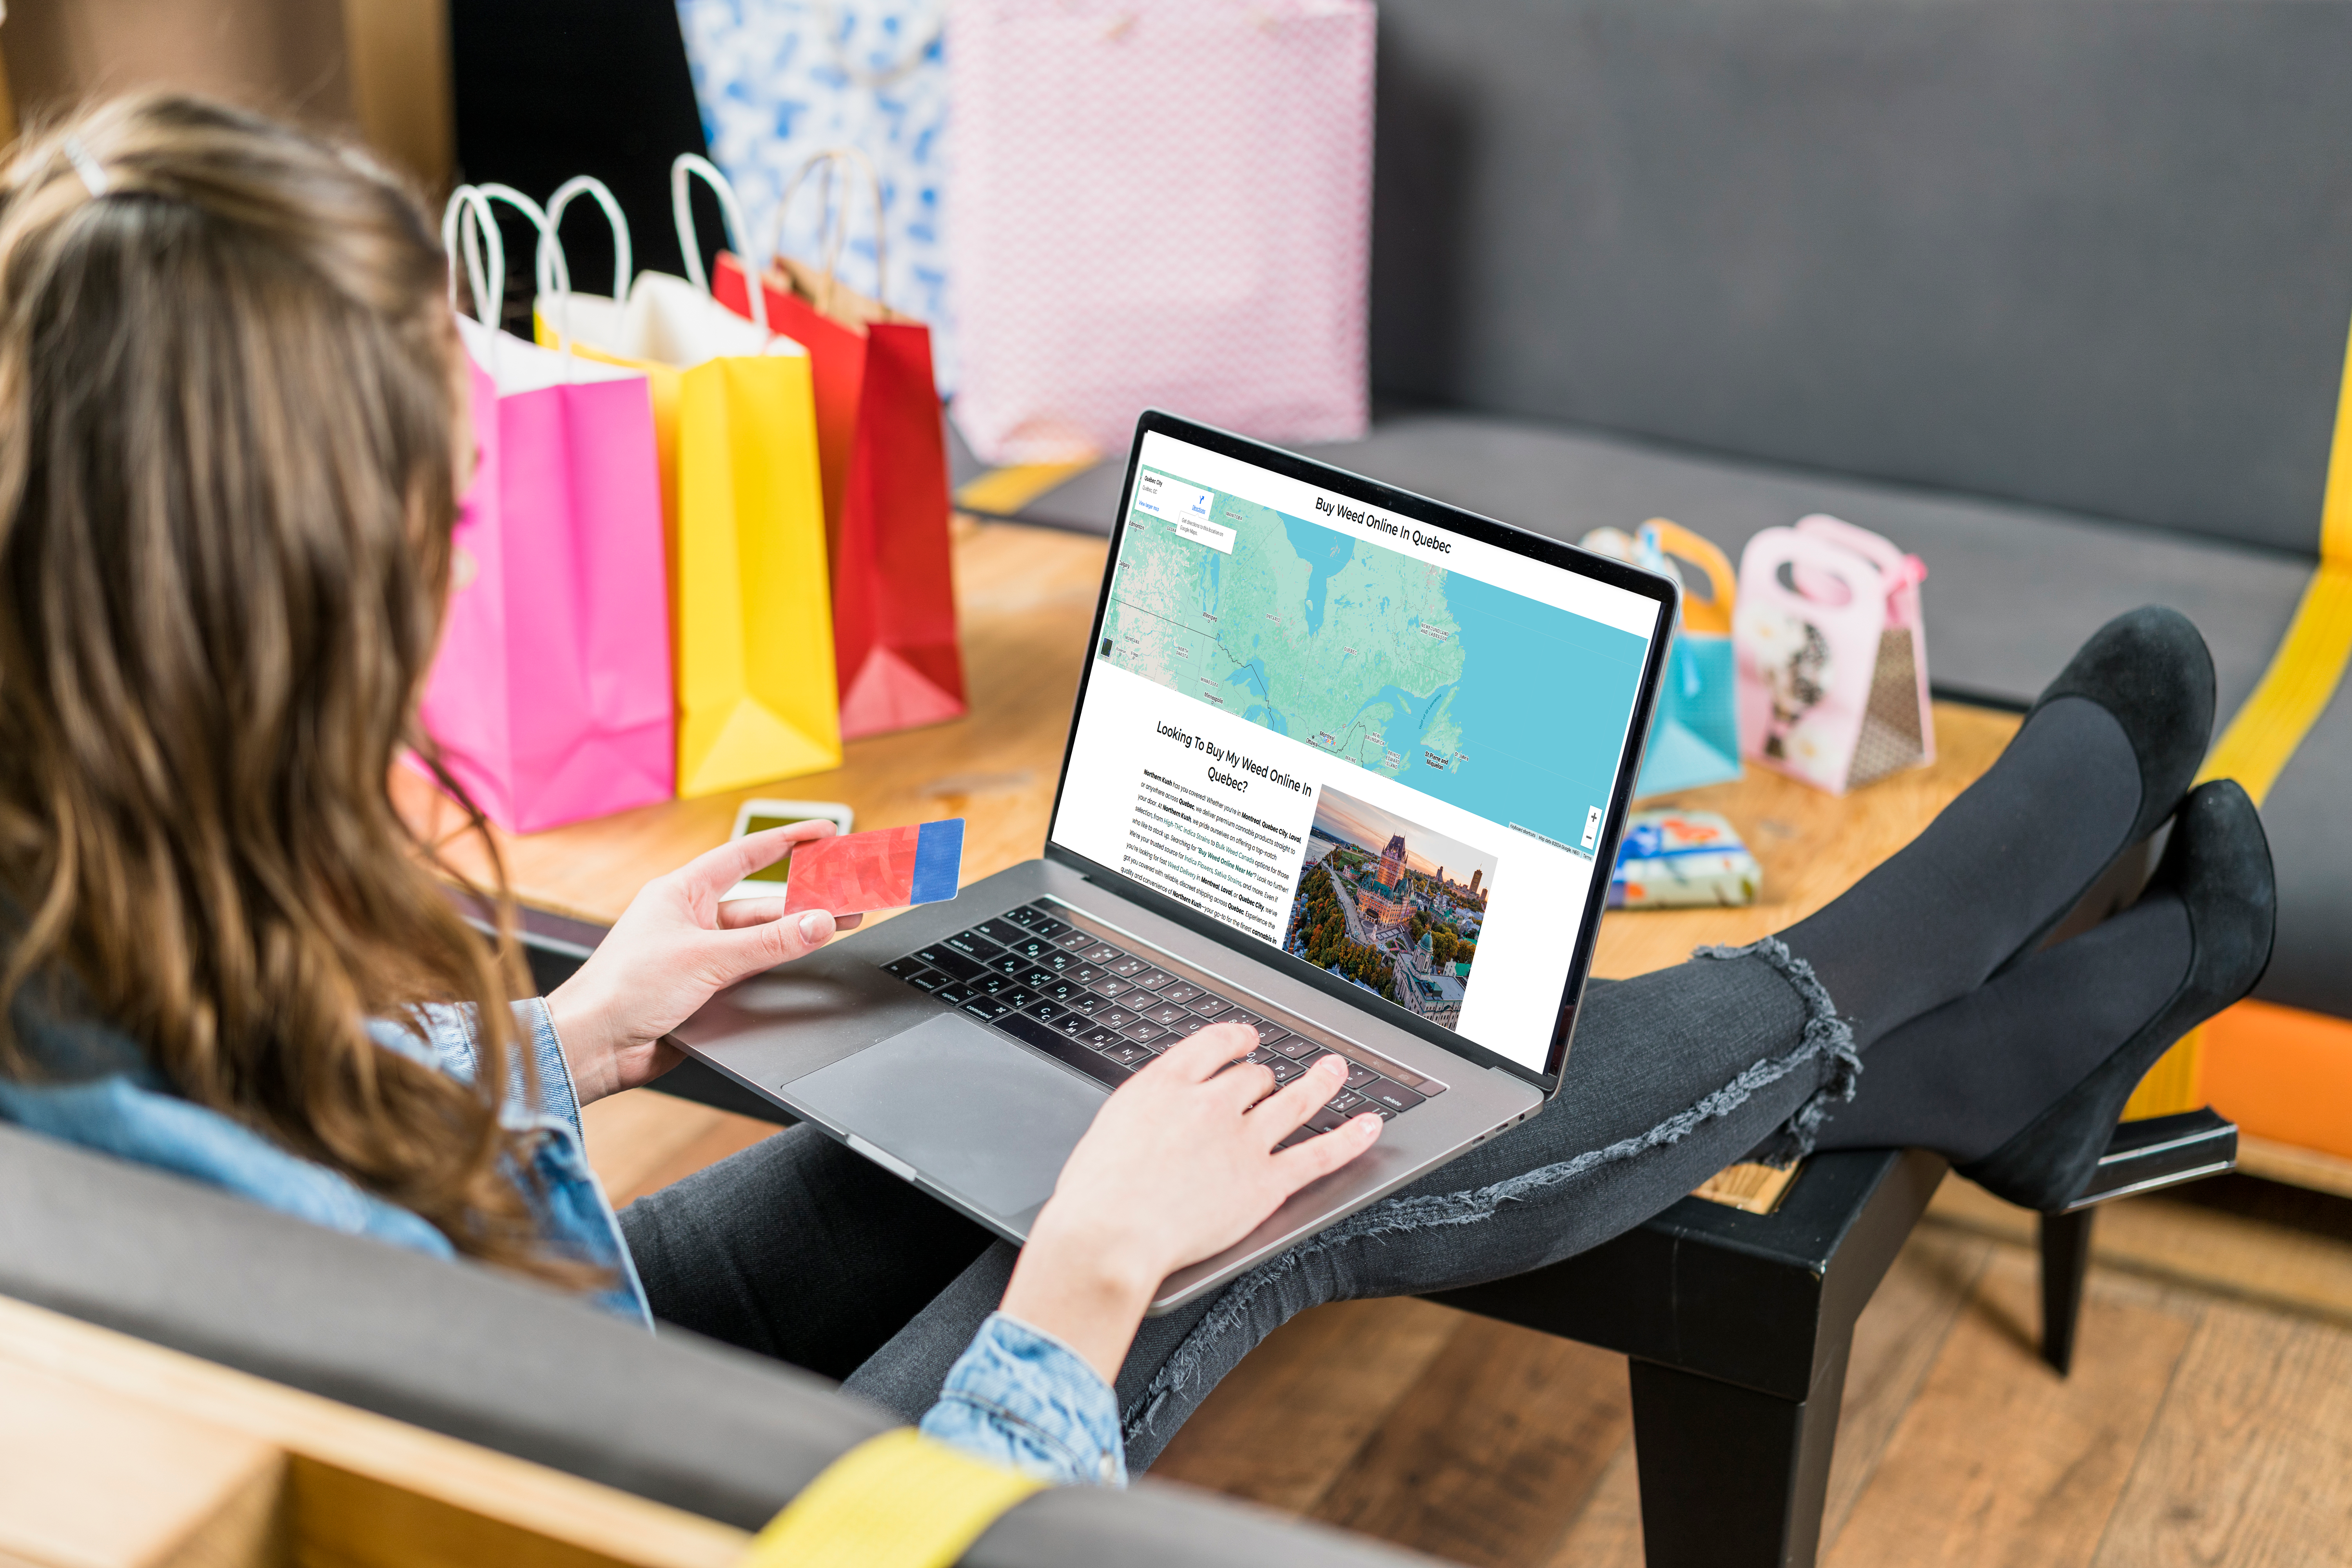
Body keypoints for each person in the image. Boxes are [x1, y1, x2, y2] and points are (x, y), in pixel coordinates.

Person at [0, 95, 2276, 1488]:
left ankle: (1994, 1055)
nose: (464, 552)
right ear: (265, 616)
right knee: (1270, 1169)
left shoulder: (53, 938)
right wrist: (1081, 1295)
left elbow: (212, 1133)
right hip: (611, 1483)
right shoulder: (295, 1232)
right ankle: (1977, 991)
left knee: (1029, 1112)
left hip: (514, 1354)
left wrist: (566, 1039)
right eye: (442, 504)